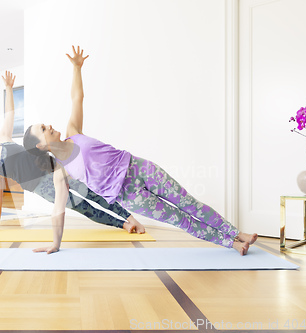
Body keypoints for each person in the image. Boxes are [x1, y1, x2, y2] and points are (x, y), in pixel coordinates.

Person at [23, 46, 258, 255]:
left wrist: (77, 68)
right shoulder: (61, 172)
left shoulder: (73, 131)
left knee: (190, 204)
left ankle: (238, 233)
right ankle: (233, 243)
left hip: (139, 168)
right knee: (183, 221)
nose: (49, 126)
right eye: (43, 129)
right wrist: (55, 243)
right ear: (41, 146)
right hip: (130, 196)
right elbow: (58, 210)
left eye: (45, 123)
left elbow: (77, 98)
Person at [0, 70, 145, 234]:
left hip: (53, 167)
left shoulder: (3, 139)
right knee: (83, 207)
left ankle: (131, 218)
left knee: (93, 193)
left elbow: (9, 114)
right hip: (42, 188)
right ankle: (122, 224)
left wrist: (9, 89)